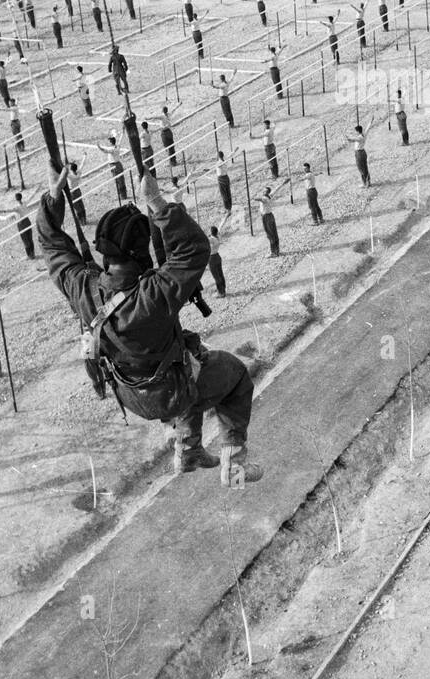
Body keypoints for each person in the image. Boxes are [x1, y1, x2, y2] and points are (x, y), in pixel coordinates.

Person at [36, 166, 261, 484]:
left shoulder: (83, 288)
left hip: (131, 394)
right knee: (235, 378)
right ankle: (234, 467)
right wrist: (157, 204)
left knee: (193, 361)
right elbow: (193, 250)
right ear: (141, 253)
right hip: (171, 391)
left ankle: (189, 451)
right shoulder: (153, 293)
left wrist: (53, 199)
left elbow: (54, 247)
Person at [345, 119, 373, 186]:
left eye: (356, 131)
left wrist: (348, 138)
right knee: (365, 167)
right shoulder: (364, 134)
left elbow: (354, 139)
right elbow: (368, 128)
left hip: (359, 153)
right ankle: (368, 181)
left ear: (358, 131)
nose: (355, 132)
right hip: (363, 152)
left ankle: (365, 183)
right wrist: (370, 121)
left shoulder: (360, 137)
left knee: (361, 168)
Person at [258, 186, 281, 257]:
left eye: (264, 191)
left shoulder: (265, 198)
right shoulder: (269, 196)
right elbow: (276, 190)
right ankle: (276, 250)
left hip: (266, 217)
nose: (263, 192)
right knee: (274, 233)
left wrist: (252, 198)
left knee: (270, 234)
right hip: (270, 215)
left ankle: (273, 252)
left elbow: (259, 199)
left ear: (267, 192)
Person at [160, 108, 179, 184]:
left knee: (168, 148)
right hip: (168, 132)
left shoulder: (162, 116)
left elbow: (155, 117)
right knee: (171, 147)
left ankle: (172, 161)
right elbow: (173, 111)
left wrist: (148, 118)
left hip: (165, 132)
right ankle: (173, 160)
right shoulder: (168, 115)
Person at [14, 191, 36, 258]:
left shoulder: (17, 207)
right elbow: (31, 197)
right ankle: (33, 254)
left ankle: (30, 255)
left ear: (15, 199)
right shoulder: (25, 203)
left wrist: (1, 211)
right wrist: (35, 192)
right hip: (27, 221)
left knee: (25, 240)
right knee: (30, 238)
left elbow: (9, 210)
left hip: (21, 224)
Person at [207, 225, 226, 297]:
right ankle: (223, 289)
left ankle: (220, 293)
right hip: (217, 256)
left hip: (212, 258)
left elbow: (204, 239)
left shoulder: (211, 239)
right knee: (220, 274)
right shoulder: (217, 238)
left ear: (211, 232)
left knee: (216, 277)